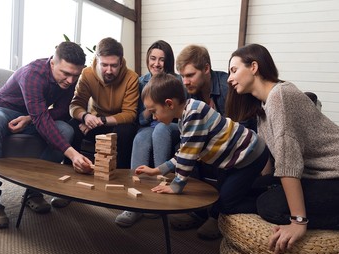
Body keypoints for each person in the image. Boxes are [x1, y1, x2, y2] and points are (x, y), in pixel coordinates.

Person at [227, 43, 339, 254]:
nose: (229, 79)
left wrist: (298, 220)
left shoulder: (281, 95)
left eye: (234, 70)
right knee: (248, 191)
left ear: (253, 67)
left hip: (333, 174)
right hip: (315, 175)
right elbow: (269, 161)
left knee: (271, 206)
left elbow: (288, 161)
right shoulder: (262, 109)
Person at [135, 72, 269, 239]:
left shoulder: (194, 114)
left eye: (154, 111)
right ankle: (212, 211)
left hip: (250, 155)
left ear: (169, 104)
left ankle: (267, 198)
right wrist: (157, 171)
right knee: (221, 194)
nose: (154, 117)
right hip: (233, 159)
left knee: (226, 203)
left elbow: (187, 157)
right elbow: (183, 153)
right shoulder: (187, 115)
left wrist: (176, 186)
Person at [0, 41, 93, 229]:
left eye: (75, 75)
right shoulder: (33, 73)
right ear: (53, 63)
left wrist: (29, 118)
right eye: (66, 73)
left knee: (66, 129)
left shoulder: (69, 79)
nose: (71, 81)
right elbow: (42, 117)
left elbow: (62, 110)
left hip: (30, 116)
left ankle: (34, 192)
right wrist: (72, 154)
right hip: (2, 110)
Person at [52, 37, 139, 208]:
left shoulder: (131, 78)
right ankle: (69, 186)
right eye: (104, 64)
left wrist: (100, 120)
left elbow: (130, 114)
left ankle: (118, 189)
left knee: (126, 131)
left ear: (120, 63)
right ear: (97, 60)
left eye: (113, 65)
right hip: (95, 121)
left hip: (116, 123)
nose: (108, 70)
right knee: (71, 127)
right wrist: (85, 117)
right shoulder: (87, 74)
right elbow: (75, 105)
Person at [114, 40, 182, 227]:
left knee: (160, 129)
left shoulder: (177, 81)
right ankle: (134, 205)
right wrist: (150, 107)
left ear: (168, 62)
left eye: (161, 59)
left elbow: (182, 114)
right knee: (140, 137)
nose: (156, 63)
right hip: (148, 126)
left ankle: (160, 196)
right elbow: (140, 119)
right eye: (153, 58)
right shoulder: (141, 81)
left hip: (171, 125)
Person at [168, 44, 230, 237]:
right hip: (205, 142)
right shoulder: (189, 91)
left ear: (206, 69)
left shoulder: (228, 88)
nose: (185, 81)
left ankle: (216, 215)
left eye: (190, 75)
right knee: (183, 148)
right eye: (182, 76)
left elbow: (237, 129)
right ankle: (197, 211)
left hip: (229, 143)